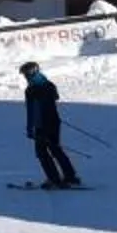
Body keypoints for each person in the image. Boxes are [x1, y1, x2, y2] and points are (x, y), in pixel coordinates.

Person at [20, 61, 81, 189]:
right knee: (56, 149)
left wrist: (31, 128)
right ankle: (70, 176)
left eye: (25, 74)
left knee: (42, 152)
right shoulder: (49, 85)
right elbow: (55, 98)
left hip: (42, 125)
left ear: (30, 73)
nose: (25, 77)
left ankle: (54, 179)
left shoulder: (31, 90)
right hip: (54, 122)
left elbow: (32, 111)